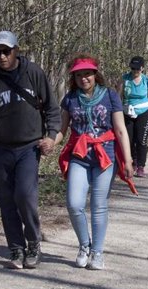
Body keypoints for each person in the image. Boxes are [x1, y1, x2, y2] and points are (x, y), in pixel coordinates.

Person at [0, 31, 61, 270]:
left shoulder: (33, 73)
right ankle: (16, 248)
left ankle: (33, 242)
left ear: (16, 50)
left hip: (29, 147)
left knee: (25, 196)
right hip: (1, 148)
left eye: (6, 51)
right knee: (6, 200)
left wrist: (51, 136)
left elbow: (52, 108)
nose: (1, 57)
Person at [54, 55, 134, 270]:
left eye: (87, 73)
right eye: (79, 75)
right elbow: (62, 130)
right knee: (74, 204)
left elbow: (120, 129)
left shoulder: (110, 96)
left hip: (104, 155)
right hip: (79, 155)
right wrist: (49, 142)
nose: (84, 78)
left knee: (99, 205)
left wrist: (127, 159)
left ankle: (97, 252)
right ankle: (84, 245)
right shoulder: (70, 99)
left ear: (95, 74)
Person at [119, 56, 148, 178]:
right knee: (128, 140)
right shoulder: (125, 79)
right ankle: (133, 162)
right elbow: (119, 97)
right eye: (133, 68)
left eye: (138, 69)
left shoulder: (147, 81)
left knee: (141, 140)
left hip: (144, 112)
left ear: (142, 68)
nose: (135, 71)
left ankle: (141, 166)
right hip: (128, 112)